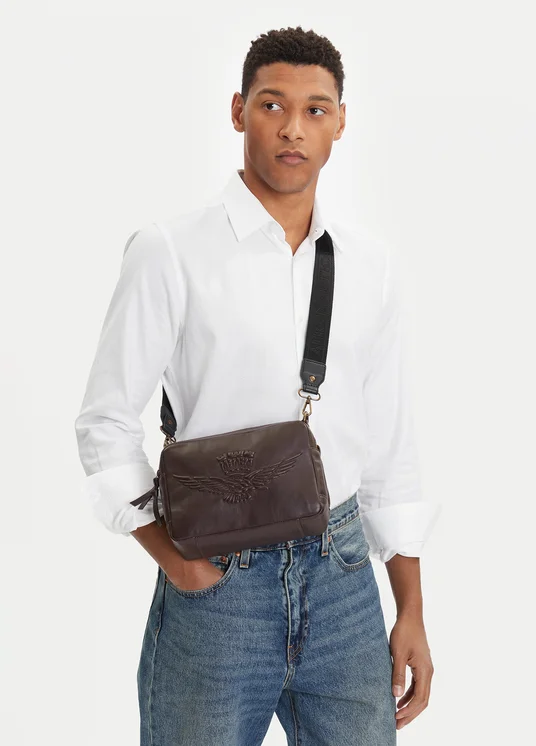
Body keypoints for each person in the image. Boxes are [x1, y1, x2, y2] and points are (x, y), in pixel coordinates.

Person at [74, 24, 441, 746]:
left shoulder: (370, 265)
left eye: (315, 109)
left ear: (340, 122)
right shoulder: (170, 251)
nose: (293, 128)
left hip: (342, 578)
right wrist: (172, 559)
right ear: (239, 111)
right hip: (219, 577)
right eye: (272, 105)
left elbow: (389, 445)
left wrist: (412, 609)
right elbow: (105, 423)